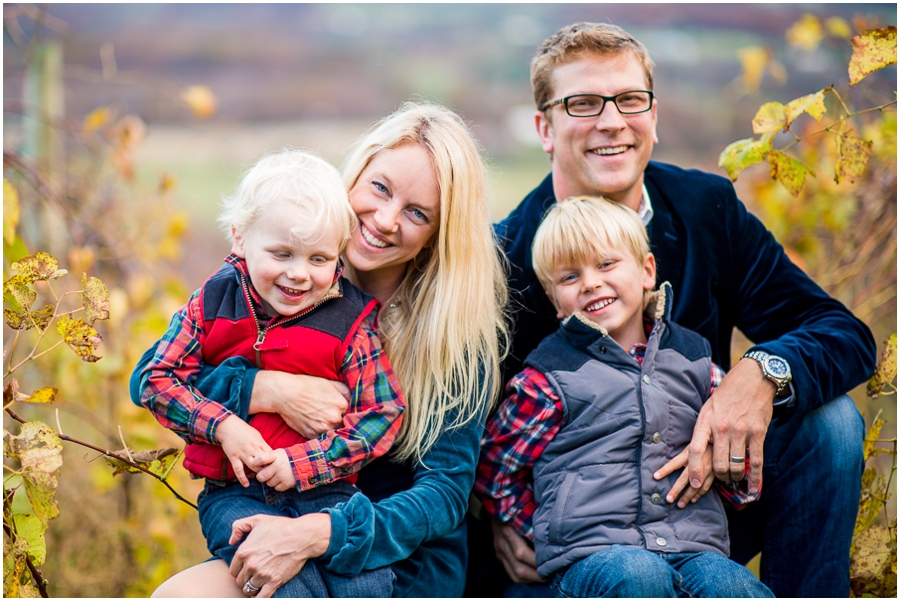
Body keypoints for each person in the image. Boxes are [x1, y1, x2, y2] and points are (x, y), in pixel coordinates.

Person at [469, 21, 876, 598]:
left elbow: (844, 334)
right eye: (583, 103)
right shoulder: (503, 260)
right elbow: (470, 432)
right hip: (577, 544)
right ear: (545, 127)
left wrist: (761, 374)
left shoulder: (704, 208)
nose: (612, 121)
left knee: (830, 423)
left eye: (630, 100)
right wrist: (498, 520)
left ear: (653, 117)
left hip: (698, 513)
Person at [131, 101, 509, 597]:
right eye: (380, 188)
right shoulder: (281, 285)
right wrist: (267, 389)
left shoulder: (455, 338)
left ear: (439, 234)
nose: (387, 218)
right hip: (267, 518)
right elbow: (156, 378)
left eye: (417, 212)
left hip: (389, 559)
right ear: (355, 176)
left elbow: (441, 496)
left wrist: (316, 535)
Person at [474, 195, 773, 598]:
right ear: (554, 302)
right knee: (638, 576)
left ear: (647, 270)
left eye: (606, 264)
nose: (591, 283)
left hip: (692, 547)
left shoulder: (696, 361)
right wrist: (541, 529)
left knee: (732, 586)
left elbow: (737, 464)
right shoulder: (547, 379)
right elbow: (495, 467)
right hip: (593, 556)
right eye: (569, 277)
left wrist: (733, 474)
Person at [139, 149, 405, 597]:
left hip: (329, 495)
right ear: (240, 238)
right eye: (282, 254)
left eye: (319, 259)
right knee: (281, 582)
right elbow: (156, 380)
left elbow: (382, 415)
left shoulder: (351, 323)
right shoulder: (211, 305)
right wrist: (223, 425)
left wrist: (300, 464)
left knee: (368, 585)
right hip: (235, 494)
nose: (299, 275)